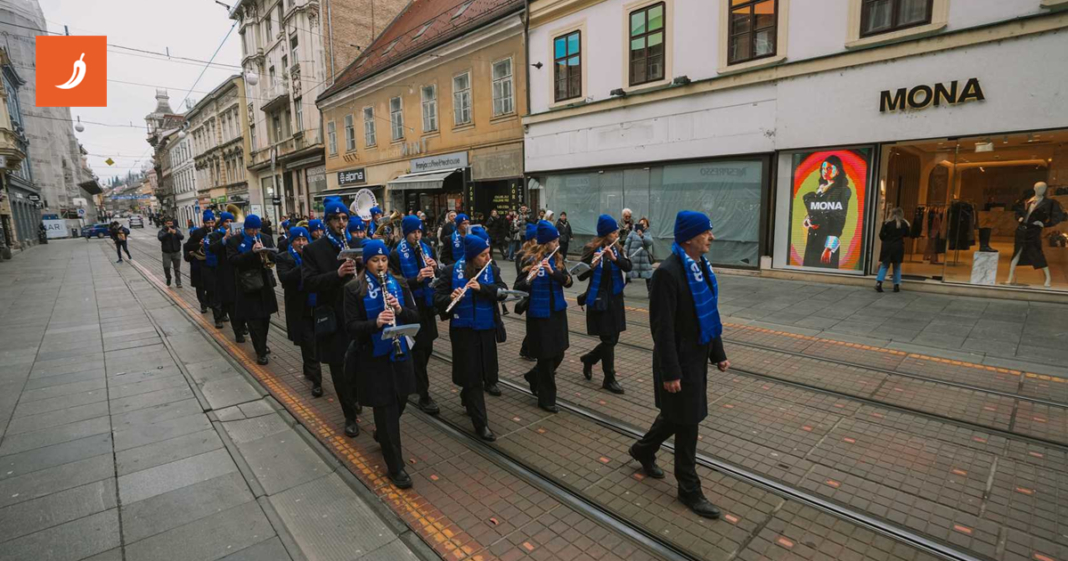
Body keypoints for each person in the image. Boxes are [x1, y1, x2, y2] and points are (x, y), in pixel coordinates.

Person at [630, 211, 729, 520]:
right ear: (689, 238)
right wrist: (670, 371)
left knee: (678, 417)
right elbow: (662, 328)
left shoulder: (701, 267)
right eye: (706, 232)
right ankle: (689, 489)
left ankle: (643, 450)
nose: (711, 237)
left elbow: (709, 314)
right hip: (677, 361)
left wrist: (718, 353)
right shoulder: (668, 273)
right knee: (688, 422)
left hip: (697, 358)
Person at [343, 240, 419, 489]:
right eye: (375, 260)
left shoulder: (400, 283)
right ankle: (396, 467)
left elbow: (415, 317)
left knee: (401, 400)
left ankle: (382, 434)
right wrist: (375, 323)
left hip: (400, 355)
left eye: (384, 259)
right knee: (386, 413)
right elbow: (351, 327)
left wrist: (399, 309)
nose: (381, 264)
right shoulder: (354, 289)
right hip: (373, 358)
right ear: (366, 262)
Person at [437, 235, 505, 441]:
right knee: (473, 377)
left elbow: (501, 292)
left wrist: (482, 288)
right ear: (472, 256)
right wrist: (450, 297)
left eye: (488, 254)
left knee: (484, 372)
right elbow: (436, 300)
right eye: (483, 255)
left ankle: (466, 396)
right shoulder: (450, 271)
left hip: (486, 330)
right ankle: (481, 423)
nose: (488, 258)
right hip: (463, 332)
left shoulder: (492, 270)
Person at [302, 198, 360, 437]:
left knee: (358, 365)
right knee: (339, 368)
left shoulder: (356, 243)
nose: (341, 223)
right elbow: (308, 283)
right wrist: (336, 274)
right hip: (334, 317)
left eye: (345, 218)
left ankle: (354, 397)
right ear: (327, 222)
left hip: (357, 314)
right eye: (336, 219)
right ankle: (349, 415)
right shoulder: (313, 249)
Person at [514, 220, 573, 413]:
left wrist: (553, 272)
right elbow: (518, 287)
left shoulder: (557, 258)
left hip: (556, 311)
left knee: (560, 352)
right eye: (554, 241)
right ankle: (546, 399)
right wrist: (530, 276)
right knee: (546, 357)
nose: (557, 244)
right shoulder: (529, 258)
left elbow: (568, 281)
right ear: (546, 242)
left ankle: (533, 376)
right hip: (539, 314)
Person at [389, 215, 440, 415]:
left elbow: (439, 275)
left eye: (419, 232)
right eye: (413, 233)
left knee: (427, 348)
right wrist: (416, 278)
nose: (417, 236)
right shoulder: (395, 254)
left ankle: (415, 382)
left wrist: (435, 268)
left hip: (427, 304)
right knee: (418, 351)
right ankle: (423, 394)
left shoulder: (427, 248)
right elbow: (397, 283)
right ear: (405, 233)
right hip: (411, 306)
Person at [577, 215, 631, 394]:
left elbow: (628, 267)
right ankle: (609, 378)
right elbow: (580, 275)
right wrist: (592, 265)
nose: (617, 234)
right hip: (599, 299)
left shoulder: (617, 249)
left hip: (615, 299)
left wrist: (615, 259)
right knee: (608, 339)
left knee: (613, 339)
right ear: (605, 234)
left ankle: (589, 359)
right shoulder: (591, 249)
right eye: (614, 231)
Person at [276, 226, 323, 396]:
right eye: (298, 240)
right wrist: (305, 264)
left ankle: (309, 370)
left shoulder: (315, 255)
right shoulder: (283, 257)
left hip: (316, 305)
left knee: (313, 343)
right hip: (299, 308)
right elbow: (285, 278)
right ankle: (317, 382)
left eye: (304, 240)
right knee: (309, 343)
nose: (301, 243)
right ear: (292, 241)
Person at [227, 215, 278, 364]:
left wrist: (267, 253)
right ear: (245, 228)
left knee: (265, 318)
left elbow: (275, 256)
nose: (254, 232)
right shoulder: (234, 241)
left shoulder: (266, 238)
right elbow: (233, 260)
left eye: (256, 229)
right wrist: (252, 253)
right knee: (254, 320)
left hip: (265, 284)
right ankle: (260, 351)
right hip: (247, 285)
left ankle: (262, 343)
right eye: (251, 230)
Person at [802, 155, 852, 269]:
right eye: (823, 168)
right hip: (813, 239)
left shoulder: (843, 190)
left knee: (824, 269)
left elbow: (839, 218)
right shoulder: (821, 189)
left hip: (826, 240)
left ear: (838, 170)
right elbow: (814, 211)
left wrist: (829, 248)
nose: (825, 171)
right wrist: (808, 221)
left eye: (829, 168)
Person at [208, 212, 246, 341]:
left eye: (231, 220)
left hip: (240, 271)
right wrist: (224, 239)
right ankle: (238, 331)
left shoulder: (239, 234)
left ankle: (243, 325)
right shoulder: (215, 235)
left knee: (243, 302)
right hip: (225, 273)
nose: (229, 223)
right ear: (221, 223)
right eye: (226, 221)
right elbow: (212, 248)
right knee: (231, 303)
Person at [515, 222, 538, 361]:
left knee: (535, 326)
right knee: (533, 326)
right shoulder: (523, 254)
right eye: (536, 238)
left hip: (535, 290)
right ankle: (527, 349)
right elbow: (520, 276)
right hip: (529, 292)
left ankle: (525, 348)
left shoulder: (538, 252)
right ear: (530, 240)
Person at [185, 210, 215, 313]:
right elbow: (187, 246)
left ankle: (209, 301)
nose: (210, 225)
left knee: (212, 286)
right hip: (199, 263)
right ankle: (203, 304)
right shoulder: (198, 232)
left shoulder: (217, 232)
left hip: (211, 262)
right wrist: (199, 244)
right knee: (200, 286)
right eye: (208, 223)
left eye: (212, 223)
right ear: (204, 223)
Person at [875, 208, 910, 293]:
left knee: (884, 266)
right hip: (898, 247)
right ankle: (896, 285)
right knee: (897, 267)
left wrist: (887, 239)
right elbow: (907, 234)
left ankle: (879, 283)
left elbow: (881, 235)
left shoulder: (886, 223)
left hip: (887, 246)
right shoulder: (905, 223)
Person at [625, 220, 654, 293]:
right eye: (641, 224)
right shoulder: (632, 232)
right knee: (627, 276)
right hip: (633, 258)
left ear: (647, 226)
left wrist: (642, 236)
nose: (642, 225)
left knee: (648, 277)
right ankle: (619, 291)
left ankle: (651, 293)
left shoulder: (647, 233)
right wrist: (625, 255)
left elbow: (650, 242)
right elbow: (627, 244)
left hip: (644, 259)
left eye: (644, 224)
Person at [158, 217, 185, 288]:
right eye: (168, 224)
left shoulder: (176, 230)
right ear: (165, 224)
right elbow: (160, 238)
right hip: (166, 253)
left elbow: (182, 237)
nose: (170, 225)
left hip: (176, 252)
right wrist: (168, 233)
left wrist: (175, 233)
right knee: (166, 267)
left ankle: (178, 282)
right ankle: (168, 278)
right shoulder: (162, 231)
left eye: (171, 223)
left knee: (177, 269)